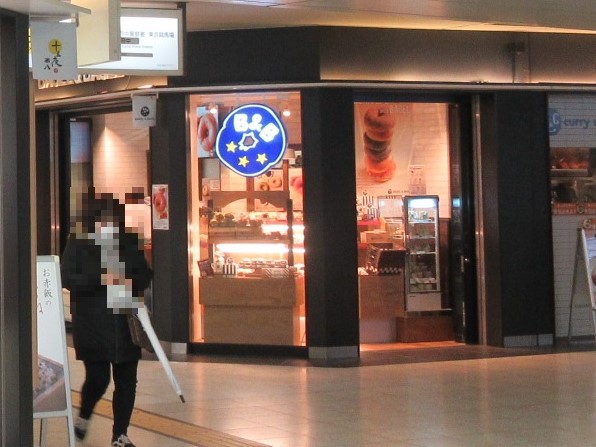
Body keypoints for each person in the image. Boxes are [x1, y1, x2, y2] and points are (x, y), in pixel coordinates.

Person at [61, 190, 153, 447]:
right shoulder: (78, 242)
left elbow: (145, 276)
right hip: (92, 325)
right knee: (98, 379)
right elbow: (67, 278)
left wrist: (129, 279)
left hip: (126, 325)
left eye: (112, 219)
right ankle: (84, 415)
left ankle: (120, 435)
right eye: (102, 218)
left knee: (127, 381)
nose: (107, 224)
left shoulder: (128, 240)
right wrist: (102, 278)